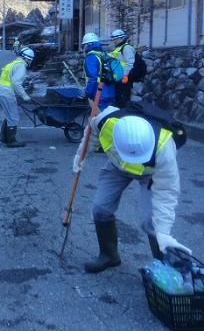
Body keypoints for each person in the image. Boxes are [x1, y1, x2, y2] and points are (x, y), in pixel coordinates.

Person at [74, 108, 190, 273]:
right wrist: (81, 156)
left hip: (150, 173)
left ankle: (165, 269)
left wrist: (163, 232)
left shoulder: (165, 146)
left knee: (152, 223)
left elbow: (167, 192)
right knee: (100, 209)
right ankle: (109, 256)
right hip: (117, 164)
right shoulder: (106, 121)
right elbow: (91, 133)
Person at [0, 46, 34, 147]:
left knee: (9, 115)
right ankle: (11, 141)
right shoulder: (21, 66)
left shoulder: (14, 63)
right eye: (30, 60)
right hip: (6, 92)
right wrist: (25, 96)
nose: (30, 62)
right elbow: (16, 83)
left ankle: (3, 137)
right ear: (27, 59)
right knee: (13, 116)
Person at [82, 32, 115, 110]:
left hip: (99, 91)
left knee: (100, 118)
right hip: (110, 89)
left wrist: (88, 92)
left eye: (84, 45)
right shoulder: (105, 54)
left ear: (88, 44)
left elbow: (92, 77)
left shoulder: (91, 57)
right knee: (109, 116)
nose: (84, 47)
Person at [109, 29, 136, 108]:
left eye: (115, 39)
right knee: (118, 98)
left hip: (125, 78)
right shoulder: (119, 48)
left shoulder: (126, 48)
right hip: (119, 77)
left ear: (120, 38)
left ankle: (124, 114)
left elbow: (130, 63)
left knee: (123, 99)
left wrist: (125, 75)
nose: (114, 41)